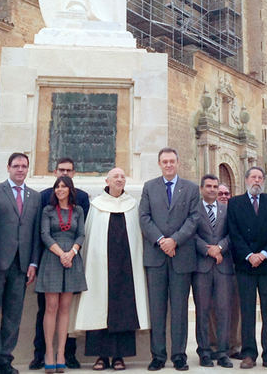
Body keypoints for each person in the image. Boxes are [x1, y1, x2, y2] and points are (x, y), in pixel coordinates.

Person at [73, 167, 150, 371]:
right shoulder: (97, 206)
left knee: (124, 308)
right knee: (99, 306)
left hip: (126, 267)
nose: (120, 179)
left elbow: (138, 238)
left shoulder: (132, 205)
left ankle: (119, 356)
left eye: (123, 177)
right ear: (107, 181)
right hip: (99, 267)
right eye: (115, 176)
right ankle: (100, 356)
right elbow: (89, 238)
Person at [0, 153, 42, 374]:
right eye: (16, 166)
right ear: (8, 167)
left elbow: (35, 233)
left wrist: (33, 262)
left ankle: (6, 359)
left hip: (21, 264)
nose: (20, 170)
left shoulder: (34, 196)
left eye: (24, 166)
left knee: (13, 315)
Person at [139, 147, 199, 372]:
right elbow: (144, 217)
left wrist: (174, 240)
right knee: (157, 309)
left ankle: (179, 355)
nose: (168, 165)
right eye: (164, 161)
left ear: (177, 162)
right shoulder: (149, 187)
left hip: (181, 256)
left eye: (172, 161)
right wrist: (162, 240)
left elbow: (194, 219)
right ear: (159, 163)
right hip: (156, 257)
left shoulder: (191, 188)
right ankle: (158, 355)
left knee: (180, 310)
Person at [31, 158, 90, 370]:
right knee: (50, 307)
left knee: (66, 308)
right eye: (58, 186)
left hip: (71, 260)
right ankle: (47, 352)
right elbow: (44, 234)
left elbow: (82, 233)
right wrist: (61, 253)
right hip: (52, 258)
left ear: (71, 188)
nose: (61, 189)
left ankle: (61, 354)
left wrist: (71, 253)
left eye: (65, 186)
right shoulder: (47, 209)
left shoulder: (79, 210)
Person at [226, 167, 267, 370]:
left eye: (260, 177)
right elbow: (233, 232)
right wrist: (250, 255)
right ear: (246, 180)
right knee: (247, 310)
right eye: (253, 177)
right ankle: (249, 353)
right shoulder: (235, 203)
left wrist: (264, 254)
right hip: (245, 264)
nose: (257, 180)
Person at [192, 174, 234, 368]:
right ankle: (204, 351)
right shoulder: (194, 210)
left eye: (215, 186)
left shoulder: (227, 210)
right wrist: (208, 249)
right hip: (201, 267)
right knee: (202, 310)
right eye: (208, 186)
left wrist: (220, 248)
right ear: (201, 189)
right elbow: (190, 234)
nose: (212, 189)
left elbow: (232, 234)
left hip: (223, 267)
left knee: (223, 310)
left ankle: (223, 351)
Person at [215, 183, 242, 360]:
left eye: (227, 193)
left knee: (235, 307)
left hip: (233, 264)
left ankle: (234, 346)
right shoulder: (203, 210)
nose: (224, 196)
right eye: (220, 193)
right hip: (210, 263)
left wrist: (220, 248)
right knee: (210, 307)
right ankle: (213, 345)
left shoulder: (235, 213)